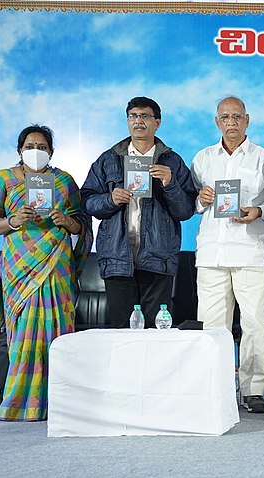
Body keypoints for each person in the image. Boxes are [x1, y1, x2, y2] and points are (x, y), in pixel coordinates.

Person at [0, 125, 92, 421]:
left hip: (56, 265)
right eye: (31, 145)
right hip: (19, 268)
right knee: (24, 336)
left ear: (51, 152)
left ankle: (62, 403)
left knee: (58, 332)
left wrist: (67, 222)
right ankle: (22, 402)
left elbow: (83, 224)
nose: (36, 151)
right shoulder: (3, 179)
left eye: (42, 147)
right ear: (20, 150)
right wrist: (14, 220)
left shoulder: (64, 181)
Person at [81, 96, 197, 328]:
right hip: (117, 260)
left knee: (156, 332)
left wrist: (170, 183)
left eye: (144, 116)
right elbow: (87, 202)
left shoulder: (172, 161)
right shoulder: (108, 159)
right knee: (121, 331)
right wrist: (110, 199)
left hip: (158, 259)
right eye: (133, 116)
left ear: (157, 122)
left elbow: (185, 210)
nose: (138, 121)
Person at [191, 96, 264, 414]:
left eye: (237, 116)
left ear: (247, 120)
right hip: (212, 252)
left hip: (251, 252)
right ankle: (214, 386)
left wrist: (258, 210)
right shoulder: (202, 159)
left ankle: (254, 390)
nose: (231, 122)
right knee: (213, 325)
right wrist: (201, 198)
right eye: (225, 117)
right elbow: (190, 204)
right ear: (217, 121)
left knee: (255, 323)